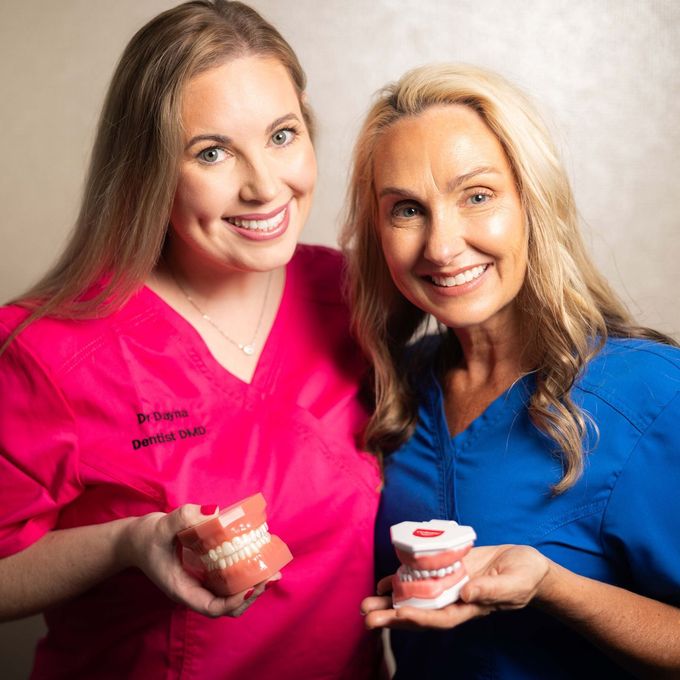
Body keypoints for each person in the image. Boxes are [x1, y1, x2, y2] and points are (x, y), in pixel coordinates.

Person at [0, 2, 382, 678]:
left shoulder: (358, 298)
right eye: (212, 152)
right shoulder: (47, 349)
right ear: (150, 172)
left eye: (283, 135)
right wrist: (127, 543)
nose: (265, 186)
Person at [341, 63, 680, 678]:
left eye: (476, 196)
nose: (442, 246)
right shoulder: (394, 392)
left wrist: (553, 586)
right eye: (408, 210)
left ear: (532, 202)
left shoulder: (651, 394)